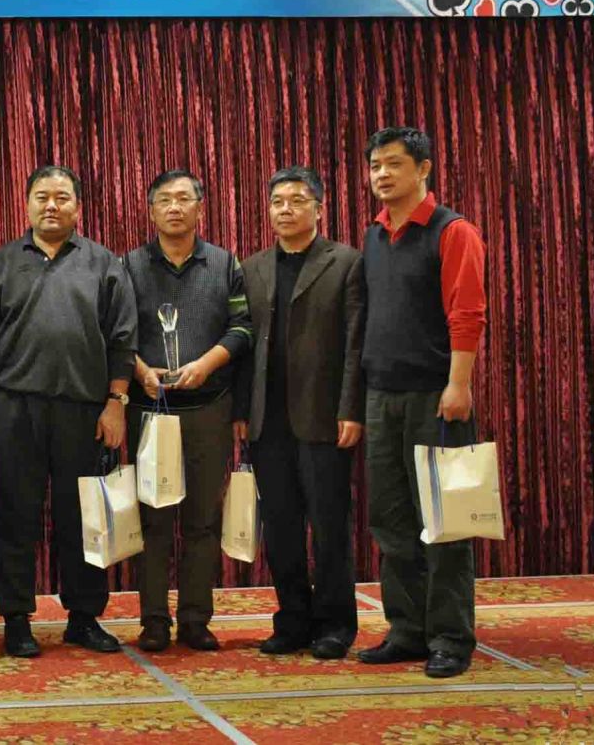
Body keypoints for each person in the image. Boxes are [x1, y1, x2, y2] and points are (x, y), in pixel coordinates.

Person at [0, 165, 136, 659]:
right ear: (26, 205)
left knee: (83, 518)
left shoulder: (104, 263)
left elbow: (123, 338)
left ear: (78, 208)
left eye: (62, 197)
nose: (51, 205)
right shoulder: (0, 264)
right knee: (13, 516)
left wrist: (116, 403)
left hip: (83, 410)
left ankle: (83, 618)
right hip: (14, 408)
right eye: (42, 196)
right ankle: (16, 620)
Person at [356, 127, 487, 679]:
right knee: (391, 521)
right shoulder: (373, 236)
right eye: (375, 166)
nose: (382, 175)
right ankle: (406, 630)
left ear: (424, 168)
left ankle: (451, 639)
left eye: (394, 164)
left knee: (444, 522)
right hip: (381, 397)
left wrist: (459, 384)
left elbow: (467, 312)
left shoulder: (453, 231)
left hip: (436, 397)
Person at [232, 166, 364, 660]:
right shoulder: (252, 267)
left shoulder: (346, 263)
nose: (286, 210)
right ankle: (291, 620)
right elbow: (243, 344)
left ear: (319, 208)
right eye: (277, 202)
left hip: (324, 415)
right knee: (281, 527)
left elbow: (355, 343)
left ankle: (335, 625)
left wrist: (351, 408)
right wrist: (241, 409)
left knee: (329, 527)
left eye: (297, 200)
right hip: (267, 420)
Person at [124, 169, 252, 653]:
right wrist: (140, 371)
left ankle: (196, 619)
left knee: (202, 520)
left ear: (201, 208)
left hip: (208, 409)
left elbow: (243, 327)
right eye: (164, 200)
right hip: (148, 410)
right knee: (154, 522)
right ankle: (154, 621)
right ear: (150, 211)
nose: (174, 207)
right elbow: (115, 332)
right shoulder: (129, 265)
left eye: (184, 199)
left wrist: (207, 363)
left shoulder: (224, 263)